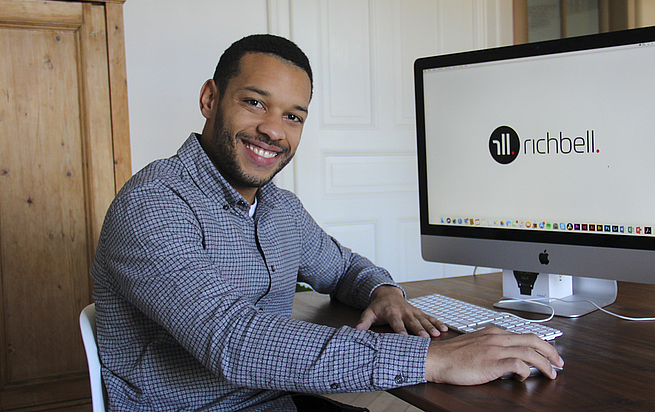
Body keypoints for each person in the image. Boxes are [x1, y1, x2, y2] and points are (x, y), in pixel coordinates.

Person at [91, 34, 563, 411]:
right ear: (210, 98)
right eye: (255, 102)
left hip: (279, 402)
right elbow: (233, 342)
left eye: (293, 116)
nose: (274, 130)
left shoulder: (280, 209)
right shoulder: (154, 204)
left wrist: (384, 293)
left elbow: (342, 269)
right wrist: (432, 358)